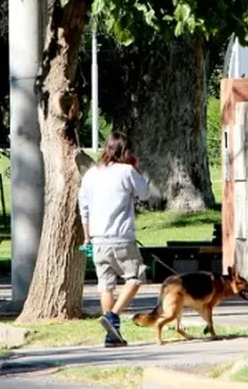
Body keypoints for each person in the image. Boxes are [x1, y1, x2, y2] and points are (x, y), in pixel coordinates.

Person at [78, 131, 150, 347]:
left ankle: (111, 335)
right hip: (121, 237)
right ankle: (113, 316)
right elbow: (144, 193)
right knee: (135, 277)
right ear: (126, 151)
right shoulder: (127, 171)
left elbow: (84, 208)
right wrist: (138, 169)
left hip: (97, 239)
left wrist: (87, 237)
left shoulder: (91, 174)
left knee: (106, 286)